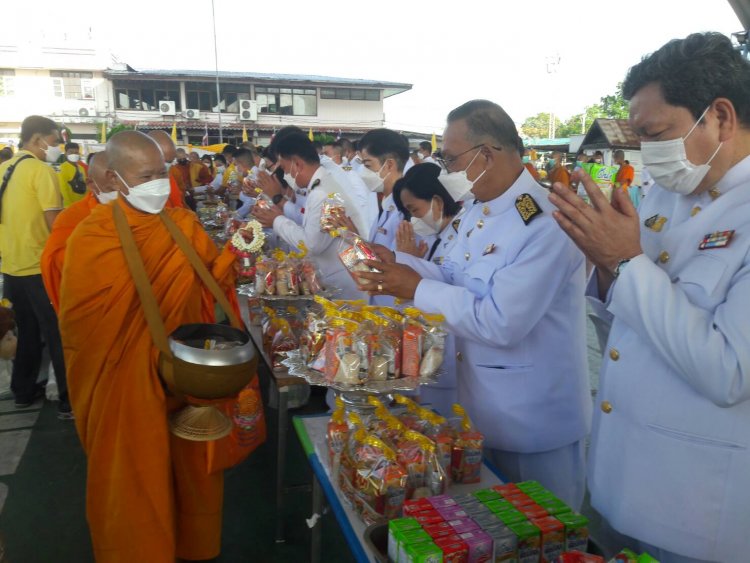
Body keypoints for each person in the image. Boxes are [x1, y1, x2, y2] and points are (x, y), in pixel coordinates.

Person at [550, 32, 750, 562]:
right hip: (622, 476)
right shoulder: (666, 195)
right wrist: (604, 265)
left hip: (696, 509)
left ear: (721, 118)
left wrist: (625, 262)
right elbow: (630, 325)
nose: (646, 151)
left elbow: (729, 371)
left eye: (655, 133)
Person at [356, 100, 591, 509]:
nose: (445, 171)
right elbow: (450, 277)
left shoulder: (547, 221)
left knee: (541, 538)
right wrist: (401, 264)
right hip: (479, 414)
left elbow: (501, 321)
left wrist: (415, 287)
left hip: (531, 422)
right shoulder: (477, 212)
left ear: (486, 153)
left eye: (450, 159)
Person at [58, 131, 248, 562]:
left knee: (189, 463)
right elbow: (80, 328)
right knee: (134, 472)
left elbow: (207, 284)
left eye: (162, 172)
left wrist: (235, 253)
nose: (159, 184)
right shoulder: (91, 237)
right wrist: (139, 354)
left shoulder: (180, 223)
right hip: (123, 378)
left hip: (183, 369)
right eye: (146, 176)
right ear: (114, 178)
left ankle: (193, 544)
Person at [0, 115, 71, 418]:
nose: (55, 147)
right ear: (38, 138)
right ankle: (69, 399)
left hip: (11, 266)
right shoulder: (40, 171)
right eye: (54, 141)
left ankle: (23, 391)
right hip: (38, 265)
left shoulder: (4, 168)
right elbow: (54, 223)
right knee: (57, 332)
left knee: (27, 330)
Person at [252, 133, 364, 299]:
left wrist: (276, 220)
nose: (284, 175)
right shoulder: (322, 185)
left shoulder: (322, 193)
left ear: (297, 164)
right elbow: (311, 224)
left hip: (341, 281)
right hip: (340, 273)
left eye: (283, 168)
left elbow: (312, 244)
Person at [392, 162, 464, 415]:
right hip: (431, 357)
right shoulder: (439, 237)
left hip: (452, 360)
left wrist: (410, 263)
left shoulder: (461, 236)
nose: (413, 220)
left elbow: (447, 289)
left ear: (437, 201)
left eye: (415, 210)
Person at [41, 151, 117, 313]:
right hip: (96, 307)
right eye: (110, 187)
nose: (119, 190)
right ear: (91, 184)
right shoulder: (72, 218)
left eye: (123, 183)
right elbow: (57, 264)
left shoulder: (141, 209)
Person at [147, 130, 187, 209]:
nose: (165, 169)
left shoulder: (168, 176)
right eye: (162, 162)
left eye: (170, 163)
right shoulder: (131, 185)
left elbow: (179, 204)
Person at [58, 142, 88, 208]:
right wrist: (69, 206)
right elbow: (63, 189)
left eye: (76, 152)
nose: (74, 154)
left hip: (82, 204)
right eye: (71, 152)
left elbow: (85, 185)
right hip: (70, 206)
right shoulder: (63, 168)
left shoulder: (81, 168)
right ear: (66, 154)